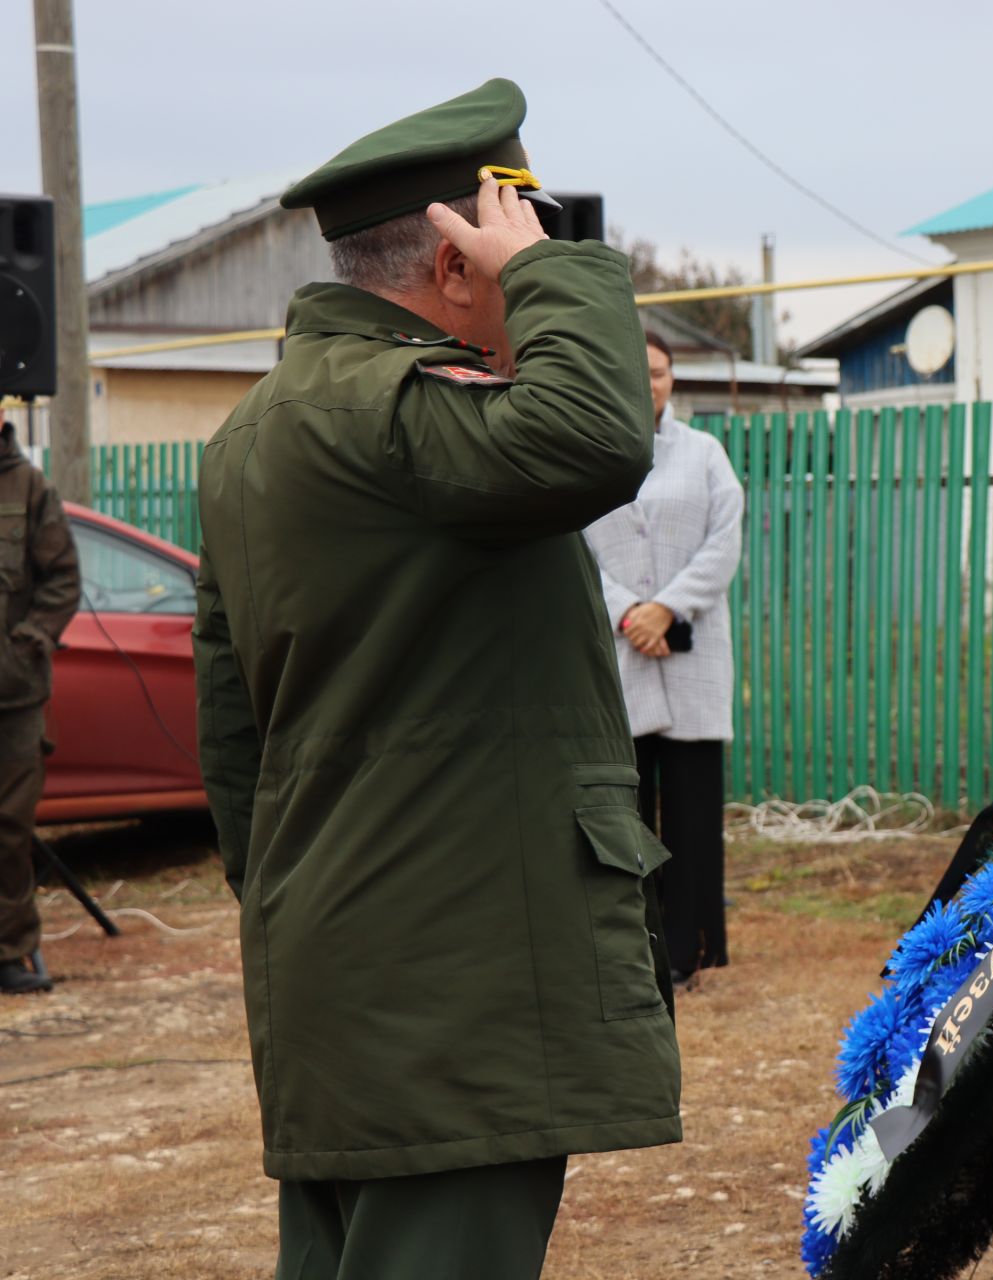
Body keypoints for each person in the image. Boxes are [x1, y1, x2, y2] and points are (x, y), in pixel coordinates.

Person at [191, 79, 680, 1280]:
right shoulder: (399, 413)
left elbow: (231, 731)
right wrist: (557, 282)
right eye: (518, 239)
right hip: (454, 980)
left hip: (347, 962)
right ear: (459, 264)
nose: (537, 263)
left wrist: (306, 904)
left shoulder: (255, 430)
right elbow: (599, 439)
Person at [585, 332, 744, 984]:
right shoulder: (590, 452)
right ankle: (634, 952)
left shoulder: (705, 454)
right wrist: (628, 611)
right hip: (621, 656)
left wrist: (667, 608)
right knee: (627, 817)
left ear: (672, 380)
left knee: (692, 815)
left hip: (692, 656)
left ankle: (689, 949)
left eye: (659, 371)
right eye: (637, 370)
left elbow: (724, 540)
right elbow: (576, 547)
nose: (648, 382)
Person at [0, 422, 78, 996]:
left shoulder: (28, 488)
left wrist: (25, 646)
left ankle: (8, 951)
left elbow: (62, 578)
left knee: (8, 826)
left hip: (13, 694)